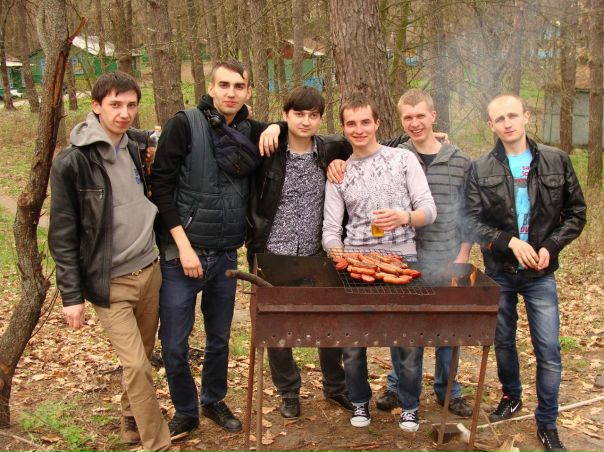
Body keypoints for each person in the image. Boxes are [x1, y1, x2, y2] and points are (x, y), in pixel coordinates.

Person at [150, 60, 280, 440]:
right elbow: (161, 186)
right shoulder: (184, 124)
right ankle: (186, 411)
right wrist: (183, 246)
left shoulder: (251, 130)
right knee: (174, 343)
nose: (231, 92)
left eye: (239, 86)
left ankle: (213, 400)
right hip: (181, 257)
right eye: (224, 85)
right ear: (211, 87)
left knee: (219, 339)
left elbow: (305, 132)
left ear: (248, 91)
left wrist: (277, 126)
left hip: (225, 257)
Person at [48, 71, 170, 452]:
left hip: (149, 270)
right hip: (110, 281)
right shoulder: (72, 163)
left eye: (131, 105)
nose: (124, 113)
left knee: (144, 355)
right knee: (136, 365)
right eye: (115, 105)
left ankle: (131, 418)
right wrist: (71, 296)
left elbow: (158, 139)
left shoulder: (134, 146)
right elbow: (63, 234)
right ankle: (157, 442)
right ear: (96, 107)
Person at [466, 94, 586, 452]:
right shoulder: (480, 168)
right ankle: (511, 396)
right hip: (499, 271)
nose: (507, 123)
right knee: (503, 340)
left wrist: (550, 246)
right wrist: (508, 241)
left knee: (548, 348)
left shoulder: (556, 160)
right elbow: (470, 222)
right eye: (499, 118)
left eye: (513, 115)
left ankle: (547, 422)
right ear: (491, 125)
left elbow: (576, 213)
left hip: (540, 274)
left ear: (526, 117)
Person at [322, 94, 436, 429]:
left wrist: (404, 217)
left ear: (377, 123)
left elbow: (429, 210)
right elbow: (330, 230)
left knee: (408, 339)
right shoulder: (340, 173)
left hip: (403, 260)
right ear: (343, 129)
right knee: (353, 341)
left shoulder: (403, 159)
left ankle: (410, 405)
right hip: (357, 263)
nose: (359, 130)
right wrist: (340, 255)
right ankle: (359, 402)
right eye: (351, 124)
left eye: (365, 122)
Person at [247, 86, 354, 419]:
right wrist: (274, 128)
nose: (305, 121)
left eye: (313, 115)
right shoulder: (268, 149)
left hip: (316, 253)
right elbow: (241, 126)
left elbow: (370, 143)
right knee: (278, 326)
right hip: (273, 252)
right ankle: (289, 392)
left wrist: (420, 138)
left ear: (320, 118)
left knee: (329, 323)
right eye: (298, 114)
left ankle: (335, 387)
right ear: (286, 115)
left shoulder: (330, 149)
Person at [371, 89, 474, 420]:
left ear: (433, 116)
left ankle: (449, 390)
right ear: (401, 120)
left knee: (448, 329)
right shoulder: (394, 156)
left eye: (420, 116)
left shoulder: (460, 161)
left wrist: (462, 256)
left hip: (446, 257)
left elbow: (470, 214)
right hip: (404, 258)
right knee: (403, 328)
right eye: (408, 117)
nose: (415, 123)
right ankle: (398, 385)